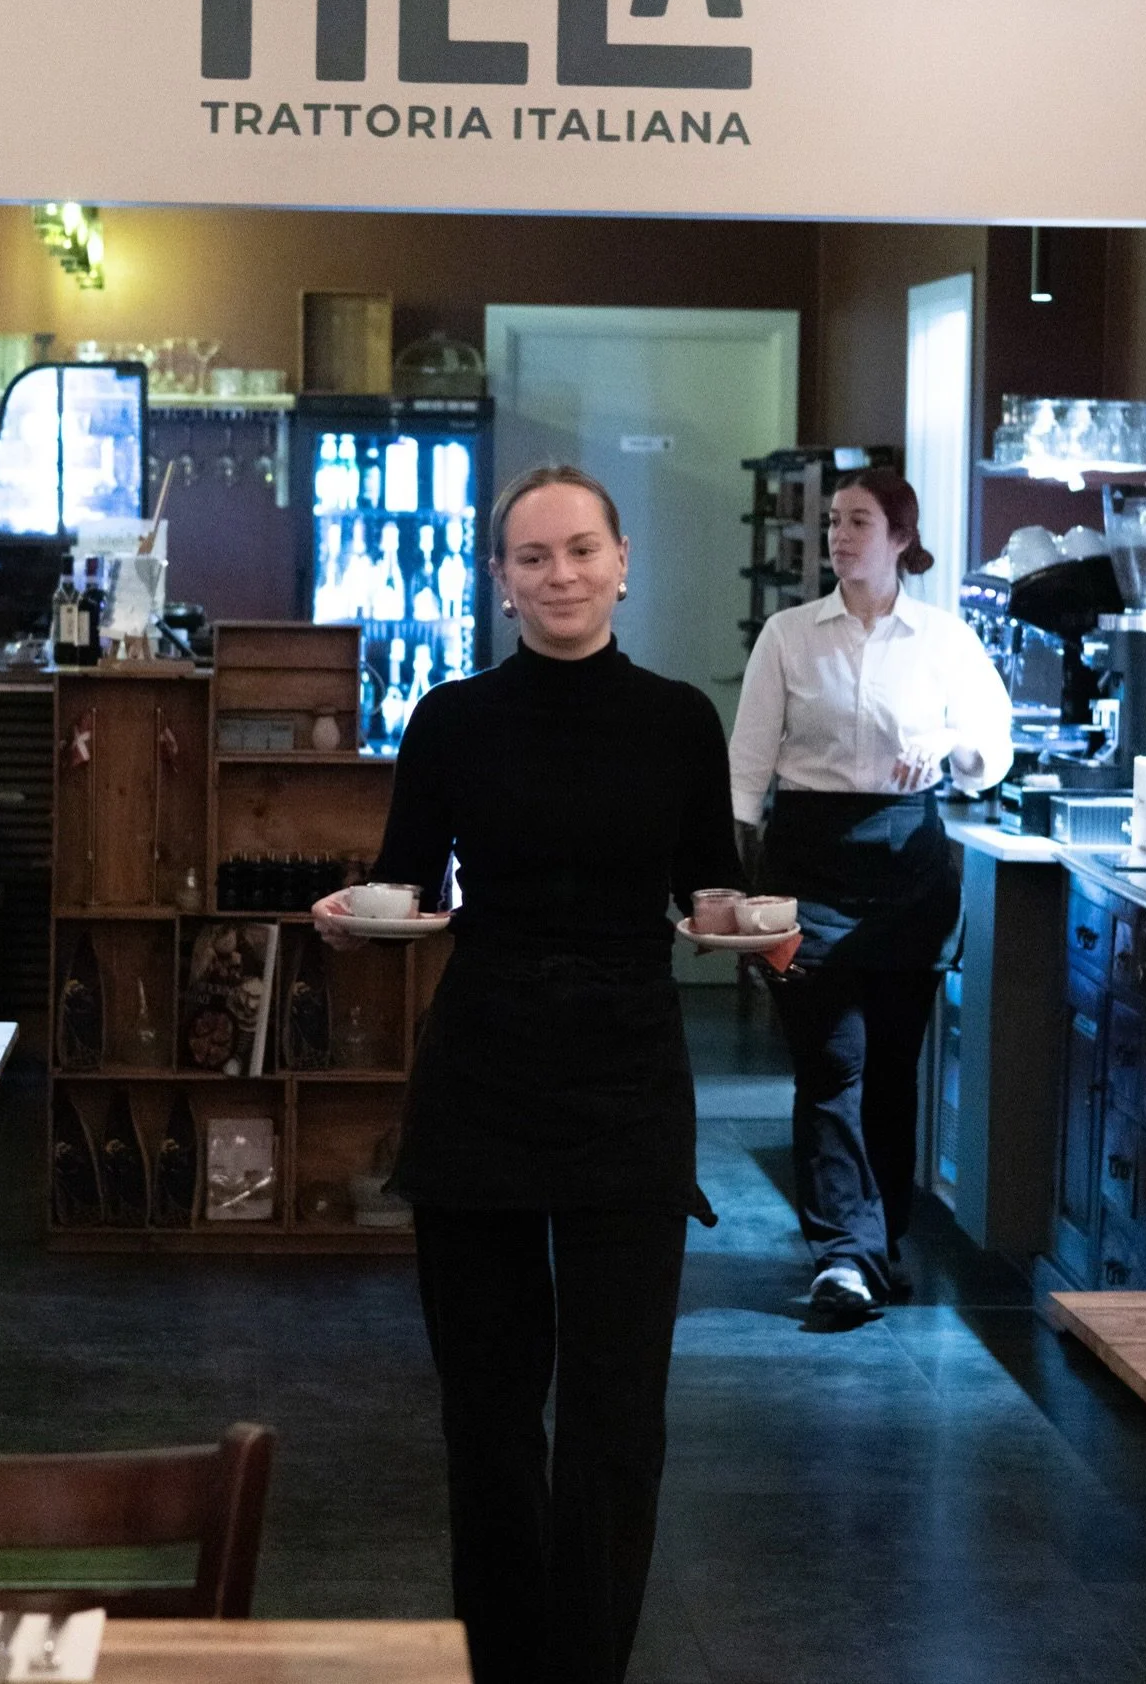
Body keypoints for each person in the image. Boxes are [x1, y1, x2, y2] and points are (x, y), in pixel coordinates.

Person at [314, 464, 743, 1684]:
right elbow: (408, 882)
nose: (561, 574)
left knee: (618, 1414)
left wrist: (757, 929)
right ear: (500, 579)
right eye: (534, 556)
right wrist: (356, 917)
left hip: (627, 1071)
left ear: (622, 562)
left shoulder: (678, 719)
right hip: (485, 1067)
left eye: (581, 549)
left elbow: (708, 887)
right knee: (489, 1412)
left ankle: (587, 1665)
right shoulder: (452, 718)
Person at [728, 468, 1012, 1322]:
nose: (839, 536)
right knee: (830, 1065)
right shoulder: (787, 635)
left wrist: (948, 744)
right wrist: (728, 877)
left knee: (890, 1068)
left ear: (900, 538)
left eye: (858, 521)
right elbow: (746, 766)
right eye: (833, 522)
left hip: (907, 869)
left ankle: (879, 1239)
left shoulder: (944, 639)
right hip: (806, 865)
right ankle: (843, 1256)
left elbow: (992, 752)